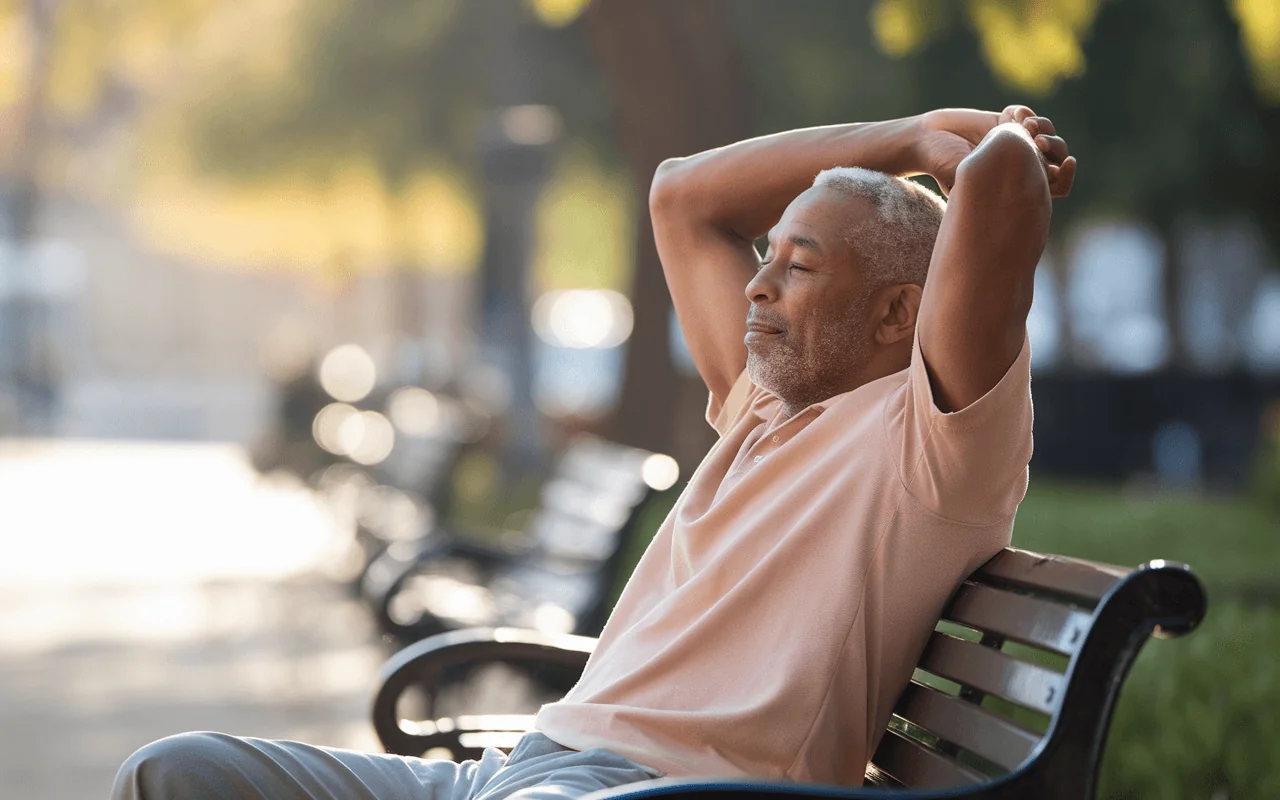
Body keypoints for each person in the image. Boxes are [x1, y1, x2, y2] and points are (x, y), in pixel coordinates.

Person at [111, 104, 1075, 799]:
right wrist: (908, 137)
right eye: (765, 258)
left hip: (661, 792)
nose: (756, 288)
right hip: (521, 772)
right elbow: (680, 196)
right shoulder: (759, 408)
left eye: (800, 266)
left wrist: (1000, 143)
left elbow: (996, 195)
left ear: (898, 312)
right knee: (177, 772)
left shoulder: (933, 441)